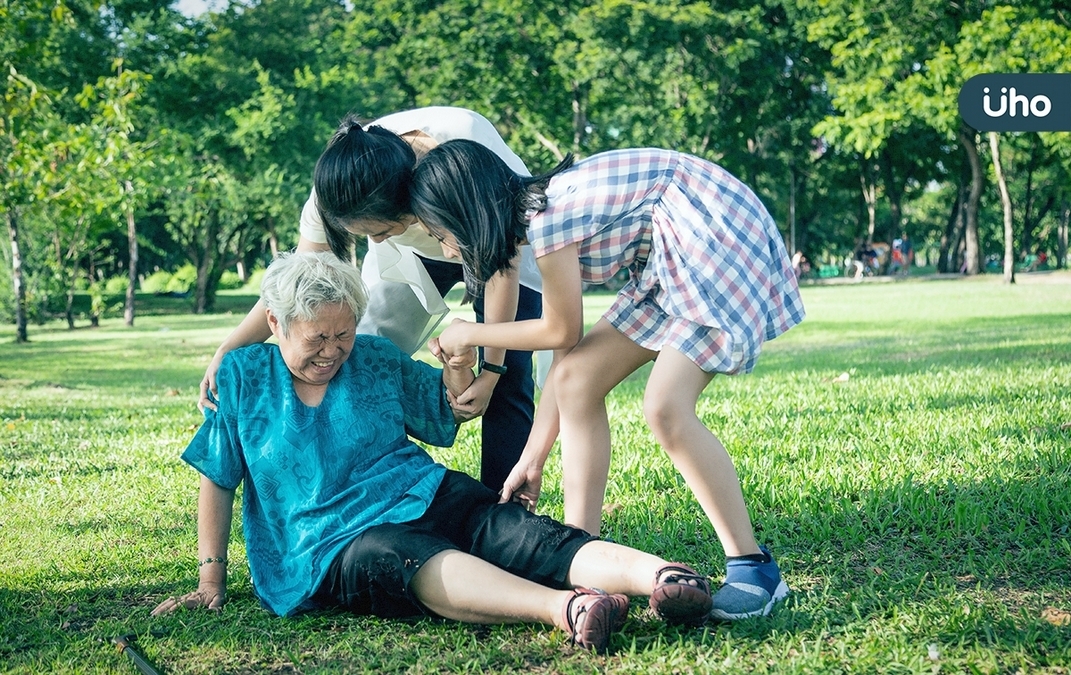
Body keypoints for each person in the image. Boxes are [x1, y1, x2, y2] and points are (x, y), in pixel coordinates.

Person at [152, 251, 713, 654]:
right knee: (408, 556)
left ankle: (665, 578)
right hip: (331, 543)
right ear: (274, 324)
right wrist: (211, 582)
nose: (333, 351)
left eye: (342, 334)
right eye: (316, 339)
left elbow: (452, 410)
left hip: (422, 490)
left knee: (515, 531)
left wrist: (459, 363)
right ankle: (566, 609)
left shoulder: (372, 357)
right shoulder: (243, 376)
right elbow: (218, 480)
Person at [410, 141, 804, 621]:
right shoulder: (531, 225)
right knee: (577, 379)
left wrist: (470, 330)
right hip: (670, 255)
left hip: (713, 236)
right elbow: (566, 357)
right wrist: (533, 457)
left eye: (443, 232)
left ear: (467, 210)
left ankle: (754, 568)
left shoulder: (547, 219)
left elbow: (560, 329)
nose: (448, 249)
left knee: (665, 408)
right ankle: (582, 558)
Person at [200, 107, 543, 492]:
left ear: (409, 199)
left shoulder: (463, 141)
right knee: (358, 355)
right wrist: (230, 345)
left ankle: (507, 508)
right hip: (413, 257)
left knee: (510, 371)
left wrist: (492, 370)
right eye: (366, 235)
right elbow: (296, 291)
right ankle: (359, 486)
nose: (375, 242)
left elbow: (502, 267)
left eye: (379, 230)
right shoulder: (335, 191)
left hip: (497, 239)